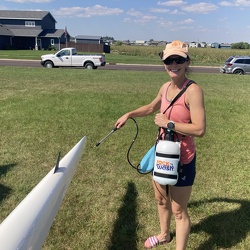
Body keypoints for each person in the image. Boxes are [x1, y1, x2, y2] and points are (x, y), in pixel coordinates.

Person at [115, 40, 206, 250]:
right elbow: (150, 108)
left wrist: (169, 124)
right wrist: (129, 114)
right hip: (162, 152)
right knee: (161, 200)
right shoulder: (165, 87)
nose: (173, 64)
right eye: (169, 60)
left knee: (179, 210)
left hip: (183, 157)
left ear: (187, 61)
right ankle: (164, 234)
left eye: (179, 60)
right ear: (164, 63)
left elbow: (200, 129)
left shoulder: (193, 90)